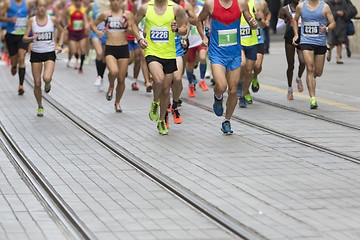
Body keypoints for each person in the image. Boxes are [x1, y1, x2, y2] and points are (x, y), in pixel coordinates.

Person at [196, 0, 257, 134]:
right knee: (222, 86)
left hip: (234, 53)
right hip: (217, 53)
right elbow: (198, 20)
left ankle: (227, 121)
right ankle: (218, 97)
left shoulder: (241, 4)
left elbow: (252, 23)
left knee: (233, 91)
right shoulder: (210, 4)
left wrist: (254, 24)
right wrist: (203, 37)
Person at [132, 0, 188, 135]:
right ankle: (155, 102)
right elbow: (134, 24)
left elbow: (184, 29)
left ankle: (161, 120)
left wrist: (177, 29)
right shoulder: (146, 8)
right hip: (152, 52)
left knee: (165, 90)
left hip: (169, 54)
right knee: (158, 80)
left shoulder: (176, 9)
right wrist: (139, 39)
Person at [23, 0, 65, 116]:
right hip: (36, 53)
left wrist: (60, 45)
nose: (41, 8)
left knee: (46, 78)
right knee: (37, 83)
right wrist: (32, 37)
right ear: (36, 7)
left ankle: (48, 83)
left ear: (46, 8)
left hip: (49, 53)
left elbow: (63, 32)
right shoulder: (32, 21)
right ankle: (40, 105)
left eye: (44, 6)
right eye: (39, 6)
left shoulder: (52, 20)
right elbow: (24, 38)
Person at [91, 0, 133, 113]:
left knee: (121, 79)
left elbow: (133, 32)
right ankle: (110, 86)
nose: (116, 2)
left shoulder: (127, 14)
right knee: (114, 72)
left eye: (118, 0)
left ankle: (117, 102)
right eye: (113, 0)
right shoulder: (105, 14)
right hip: (110, 48)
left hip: (123, 48)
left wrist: (126, 26)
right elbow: (93, 25)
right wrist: (98, 32)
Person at [292, 0, 335, 109]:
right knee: (310, 68)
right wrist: (296, 34)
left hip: (320, 43)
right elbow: (295, 20)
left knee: (318, 72)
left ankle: (311, 79)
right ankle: (313, 98)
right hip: (306, 42)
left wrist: (327, 28)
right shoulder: (301, 6)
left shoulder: (325, 7)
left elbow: (333, 22)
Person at [0, 0, 32, 95]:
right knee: (14, 62)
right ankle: (14, 66)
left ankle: (21, 85)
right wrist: (10, 20)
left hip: (22, 36)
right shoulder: (8, 3)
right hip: (11, 35)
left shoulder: (27, 4)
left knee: (21, 58)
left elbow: (30, 17)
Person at [237, 0, 265, 108]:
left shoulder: (256, 4)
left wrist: (258, 18)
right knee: (242, 64)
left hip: (252, 42)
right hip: (240, 42)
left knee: (249, 71)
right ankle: (239, 86)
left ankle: (243, 95)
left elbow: (262, 24)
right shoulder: (236, 4)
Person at [279, 0, 305, 100]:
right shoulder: (285, 9)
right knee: (291, 65)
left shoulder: (304, 8)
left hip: (302, 36)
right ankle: (290, 88)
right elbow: (277, 28)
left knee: (303, 61)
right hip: (289, 37)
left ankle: (298, 78)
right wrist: (286, 20)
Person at [62, 0, 89, 74]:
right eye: (77, 1)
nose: (79, 2)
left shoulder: (84, 9)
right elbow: (63, 17)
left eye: (80, 1)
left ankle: (81, 67)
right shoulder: (69, 9)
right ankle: (73, 58)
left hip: (81, 32)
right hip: (72, 32)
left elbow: (86, 20)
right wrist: (65, 28)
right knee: (73, 50)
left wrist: (86, 25)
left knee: (83, 49)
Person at [86, 0, 107, 91]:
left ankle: (101, 77)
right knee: (99, 53)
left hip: (106, 34)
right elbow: (85, 12)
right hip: (95, 32)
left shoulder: (110, 4)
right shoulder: (93, 5)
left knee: (104, 57)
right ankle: (98, 76)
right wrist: (87, 22)